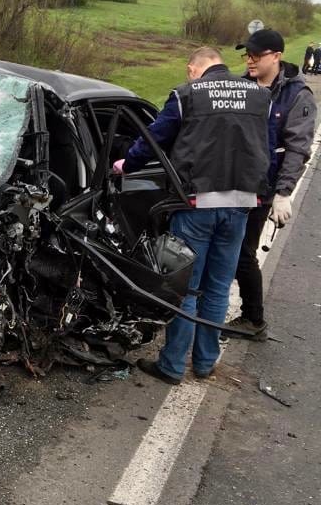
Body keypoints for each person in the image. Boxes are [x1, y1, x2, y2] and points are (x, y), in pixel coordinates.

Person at [113, 46, 271, 384]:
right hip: (240, 205)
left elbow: (154, 139)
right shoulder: (259, 95)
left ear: (192, 69)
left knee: (185, 289)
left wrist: (128, 164)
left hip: (197, 205)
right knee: (217, 288)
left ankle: (171, 366)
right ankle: (204, 363)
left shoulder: (188, 95)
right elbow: (265, 146)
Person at [227, 28, 317, 338]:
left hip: (262, 189)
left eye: (256, 55)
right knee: (223, 247)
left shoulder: (296, 96)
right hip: (229, 182)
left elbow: (297, 148)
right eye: (246, 54)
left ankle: (254, 318)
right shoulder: (241, 86)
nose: (249, 60)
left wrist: (283, 193)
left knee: (242, 252)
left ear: (276, 56)